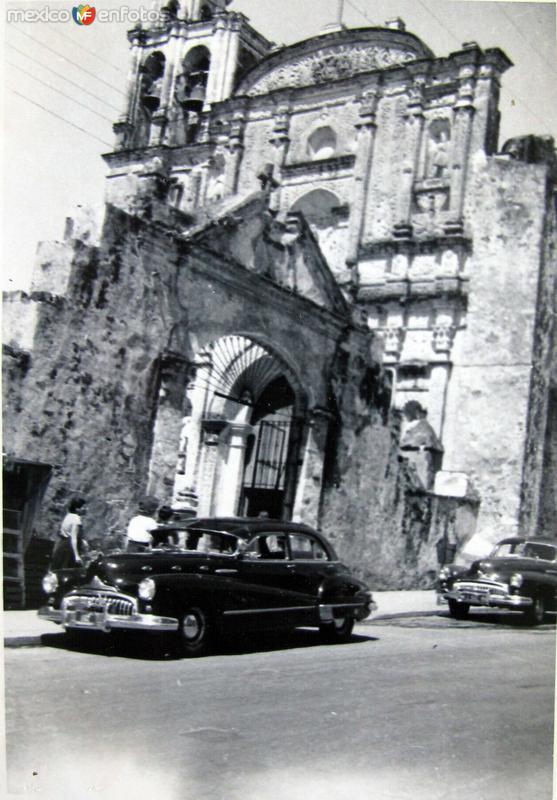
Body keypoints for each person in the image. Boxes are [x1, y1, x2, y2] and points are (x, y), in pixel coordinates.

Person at [51, 496, 87, 569]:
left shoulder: (68, 516)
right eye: (83, 507)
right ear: (77, 509)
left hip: (62, 546)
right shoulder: (76, 519)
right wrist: (76, 556)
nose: (86, 509)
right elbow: (73, 538)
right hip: (69, 549)